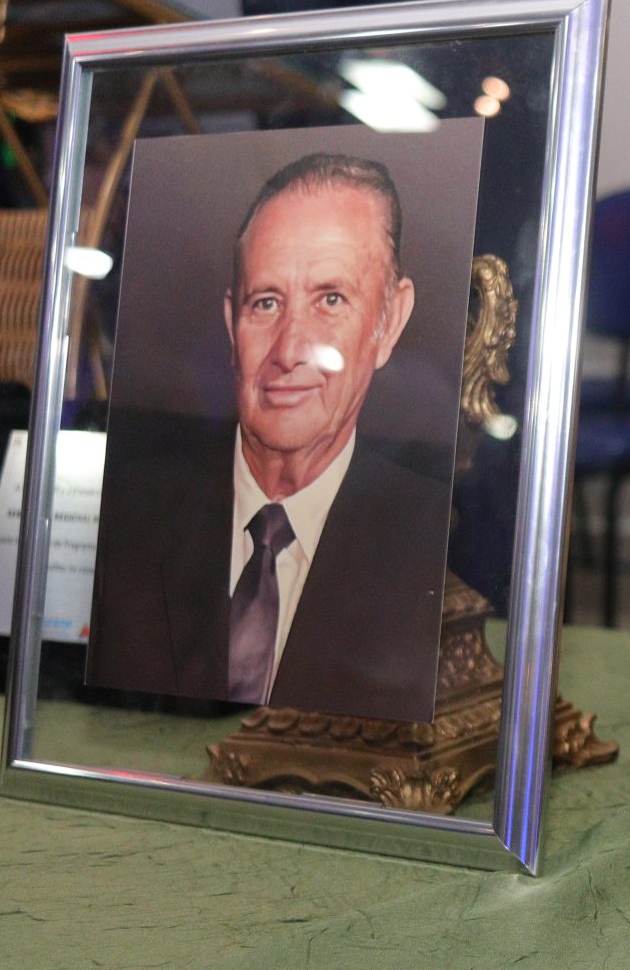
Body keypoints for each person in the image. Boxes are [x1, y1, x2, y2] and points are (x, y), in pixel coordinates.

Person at [88, 153, 450, 721]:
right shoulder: (129, 518)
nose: (288, 351)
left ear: (389, 321)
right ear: (232, 324)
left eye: (330, 300)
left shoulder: (436, 541)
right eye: (266, 303)